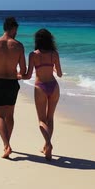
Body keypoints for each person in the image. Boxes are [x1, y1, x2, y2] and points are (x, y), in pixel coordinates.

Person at [0, 17, 26, 158]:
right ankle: (8, 143)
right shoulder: (19, 46)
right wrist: (19, 75)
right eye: (16, 30)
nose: (17, 33)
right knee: (9, 115)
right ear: (13, 28)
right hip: (12, 83)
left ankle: (6, 145)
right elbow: (23, 70)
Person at [23, 28, 63, 161]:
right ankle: (46, 146)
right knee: (50, 118)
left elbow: (28, 75)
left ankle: (48, 144)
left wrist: (17, 75)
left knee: (41, 120)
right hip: (54, 86)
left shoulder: (33, 55)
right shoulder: (54, 54)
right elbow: (60, 74)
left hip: (40, 87)